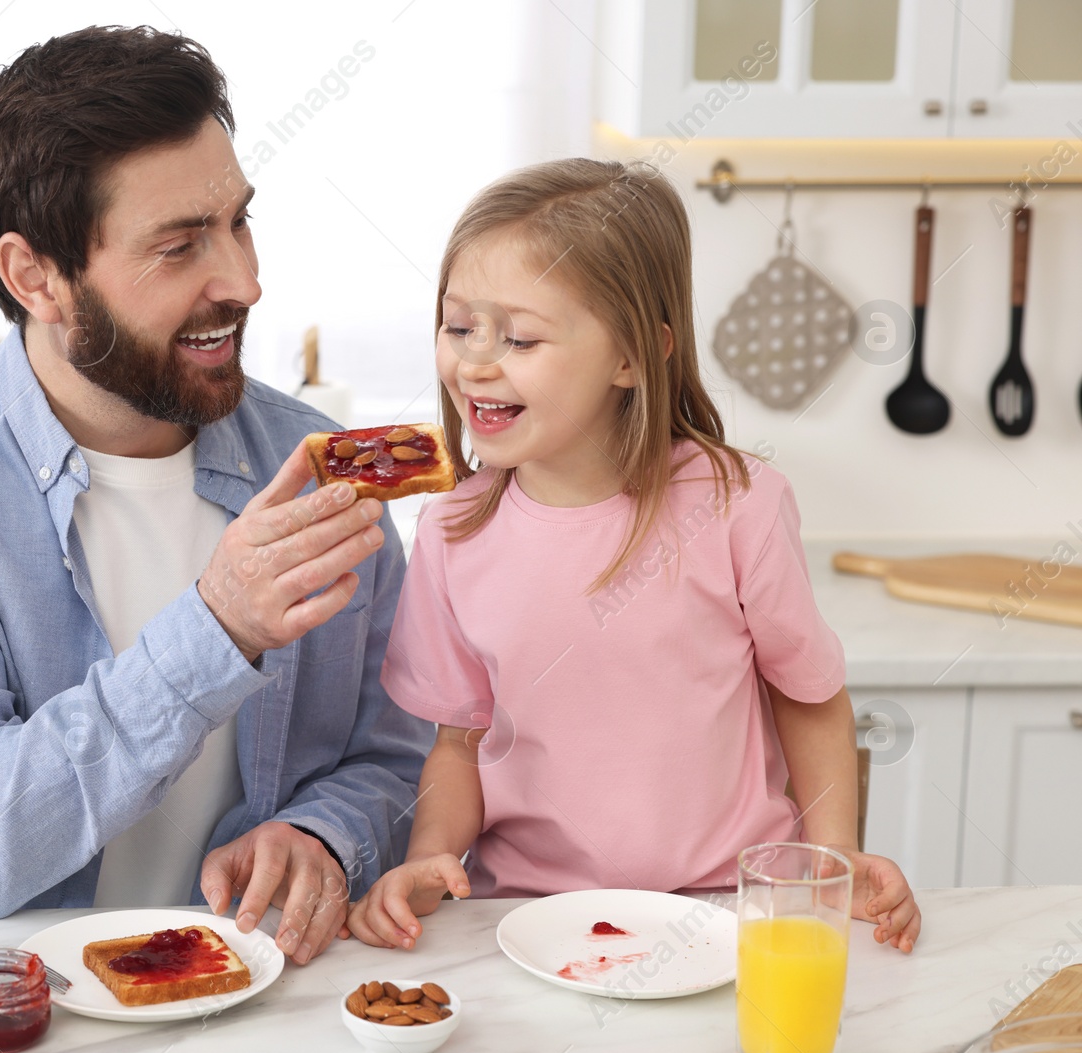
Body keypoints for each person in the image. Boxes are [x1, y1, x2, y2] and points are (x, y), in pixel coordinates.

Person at [0, 25, 427, 967]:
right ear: (36, 278)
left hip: (242, 1001)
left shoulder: (321, 463)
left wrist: (324, 833)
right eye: (179, 247)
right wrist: (217, 629)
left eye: (238, 222)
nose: (245, 282)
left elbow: (399, 756)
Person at [342, 159, 922, 955]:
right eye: (458, 327)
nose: (476, 362)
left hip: (725, 912)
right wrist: (429, 856)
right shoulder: (451, 530)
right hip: (525, 924)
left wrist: (831, 864)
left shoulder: (737, 506)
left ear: (631, 357)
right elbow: (460, 740)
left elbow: (812, 699)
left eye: (519, 336)